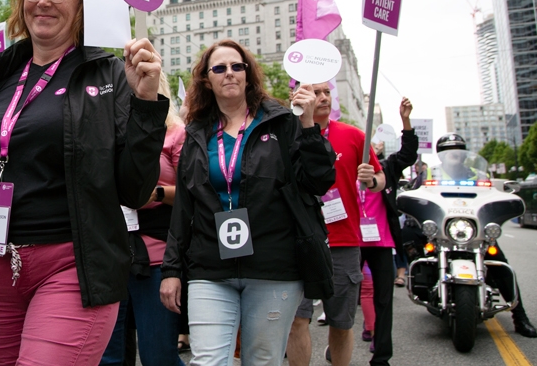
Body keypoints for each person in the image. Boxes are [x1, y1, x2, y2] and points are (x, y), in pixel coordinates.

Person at [0, 0, 168, 365]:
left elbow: (135, 188)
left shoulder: (111, 74)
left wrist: (146, 103)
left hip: (72, 266)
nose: (43, 1)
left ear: (84, 4)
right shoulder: (1, 76)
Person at [159, 40, 336, 365]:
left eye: (236, 66)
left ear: (248, 74)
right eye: (219, 68)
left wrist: (309, 126)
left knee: (262, 360)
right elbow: (184, 209)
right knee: (207, 360)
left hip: (273, 266)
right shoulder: (196, 133)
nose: (229, 73)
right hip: (209, 267)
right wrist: (171, 269)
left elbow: (318, 181)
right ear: (206, 79)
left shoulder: (282, 122)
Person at [288, 82, 385, 366]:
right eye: (315, 92)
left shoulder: (354, 136)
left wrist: (372, 179)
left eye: (327, 92)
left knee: (341, 323)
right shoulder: (286, 135)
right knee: (297, 321)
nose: (322, 98)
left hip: (343, 242)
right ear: (298, 97)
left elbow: (380, 181)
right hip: (299, 242)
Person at [100, 72, 185, 366]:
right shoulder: (109, 134)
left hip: (157, 254)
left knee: (158, 355)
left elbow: (194, 190)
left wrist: (157, 193)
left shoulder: (175, 132)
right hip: (112, 254)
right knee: (108, 357)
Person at [434, 133, 537, 338]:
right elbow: (420, 195)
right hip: (442, 232)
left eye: (458, 149)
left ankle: (519, 316)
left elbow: (492, 198)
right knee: (417, 248)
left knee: (501, 265)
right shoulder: (430, 173)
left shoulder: (479, 175)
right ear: (441, 156)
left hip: (476, 233)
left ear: (465, 154)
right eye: (447, 150)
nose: (454, 154)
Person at [358, 97, 418, 365]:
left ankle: (381, 357)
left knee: (384, 300)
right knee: (344, 298)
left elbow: (408, 154)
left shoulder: (388, 167)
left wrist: (406, 121)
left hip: (381, 243)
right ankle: (339, 345)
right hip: (351, 241)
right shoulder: (349, 164)